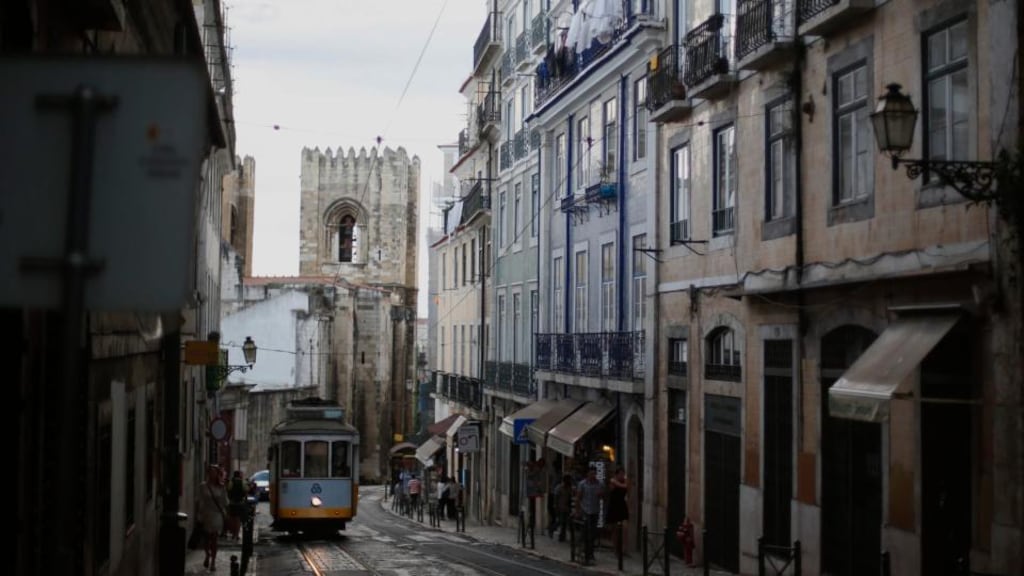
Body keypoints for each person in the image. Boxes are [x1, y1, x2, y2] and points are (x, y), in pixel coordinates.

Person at [196, 465, 229, 572]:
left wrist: (225, 510)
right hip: (206, 514)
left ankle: (213, 562)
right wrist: (199, 515)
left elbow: (225, 502)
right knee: (206, 539)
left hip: (217, 515)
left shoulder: (221, 487)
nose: (212, 474)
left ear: (217, 474)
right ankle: (207, 554)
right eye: (210, 472)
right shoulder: (203, 486)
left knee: (214, 539)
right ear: (208, 474)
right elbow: (200, 501)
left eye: (214, 472)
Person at [575, 466, 604, 566]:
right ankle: (582, 552)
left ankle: (590, 553)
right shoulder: (582, 484)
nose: (593, 476)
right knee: (585, 533)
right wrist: (577, 511)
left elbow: (602, 497)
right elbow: (578, 497)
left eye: (594, 474)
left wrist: (601, 495)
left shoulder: (599, 484)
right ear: (587, 474)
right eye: (591, 474)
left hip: (595, 512)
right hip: (585, 511)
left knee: (593, 534)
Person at [607, 466, 630, 557]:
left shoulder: (623, 481)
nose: (622, 475)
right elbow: (620, 486)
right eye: (620, 474)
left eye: (623, 473)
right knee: (615, 529)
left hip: (622, 505)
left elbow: (627, 487)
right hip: (614, 506)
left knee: (625, 527)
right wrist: (618, 483)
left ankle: (624, 549)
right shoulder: (612, 481)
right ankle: (615, 549)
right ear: (616, 474)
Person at [226, 470, 248, 540]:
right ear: (239, 475)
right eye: (241, 474)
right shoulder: (243, 482)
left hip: (232, 502)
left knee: (232, 518)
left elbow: (228, 489)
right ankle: (236, 534)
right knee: (238, 519)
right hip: (240, 503)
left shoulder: (231, 482)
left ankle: (233, 533)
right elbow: (246, 489)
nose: (242, 475)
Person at [553, 474, 574, 542]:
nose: (570, 481)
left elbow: (571, 496)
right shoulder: (559, 487)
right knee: (561, 522)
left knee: (565, 522)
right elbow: (556, 497)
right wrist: (556, 506)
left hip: (567, 508)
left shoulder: (570, 487)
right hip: (560, 507)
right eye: (568, 479)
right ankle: (553, 530)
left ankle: (562, 536)